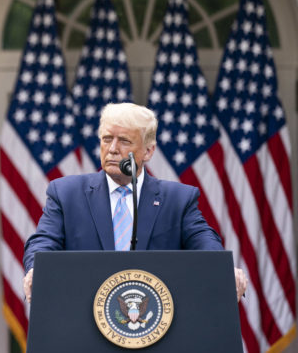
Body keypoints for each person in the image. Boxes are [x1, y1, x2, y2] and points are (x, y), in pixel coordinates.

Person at [22, 102, 247, 303]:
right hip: (84, 316)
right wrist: (35, 269)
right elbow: (43, 241)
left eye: (124, 141)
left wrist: (223, 268)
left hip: (153, 320)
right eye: (107, 139)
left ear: (148, 151)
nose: (112, 149)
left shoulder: (178, 199)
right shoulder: (66, 193)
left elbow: (204, 242)